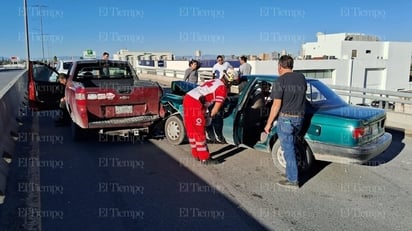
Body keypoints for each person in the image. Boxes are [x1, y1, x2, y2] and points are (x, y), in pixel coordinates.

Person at [264, 55, 307, 189]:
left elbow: (276, 105)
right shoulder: (301, 78)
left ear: (280, 67)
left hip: (286, 119)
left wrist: (268, 123)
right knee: (292, 146)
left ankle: (293, 180)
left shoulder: (280, 81)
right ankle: (291, 173)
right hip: (299, 118)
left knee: (288, 149)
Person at [182, 69, 238, 165]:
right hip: (196, 103)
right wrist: (209, 117)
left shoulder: (216, 81)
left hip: (188, 98)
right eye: (233, 82)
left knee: (192, 130)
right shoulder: (222, 88)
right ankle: (205, 158)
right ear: (230, 81)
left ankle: (196, 154)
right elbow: (216, 109)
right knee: (199, 132)